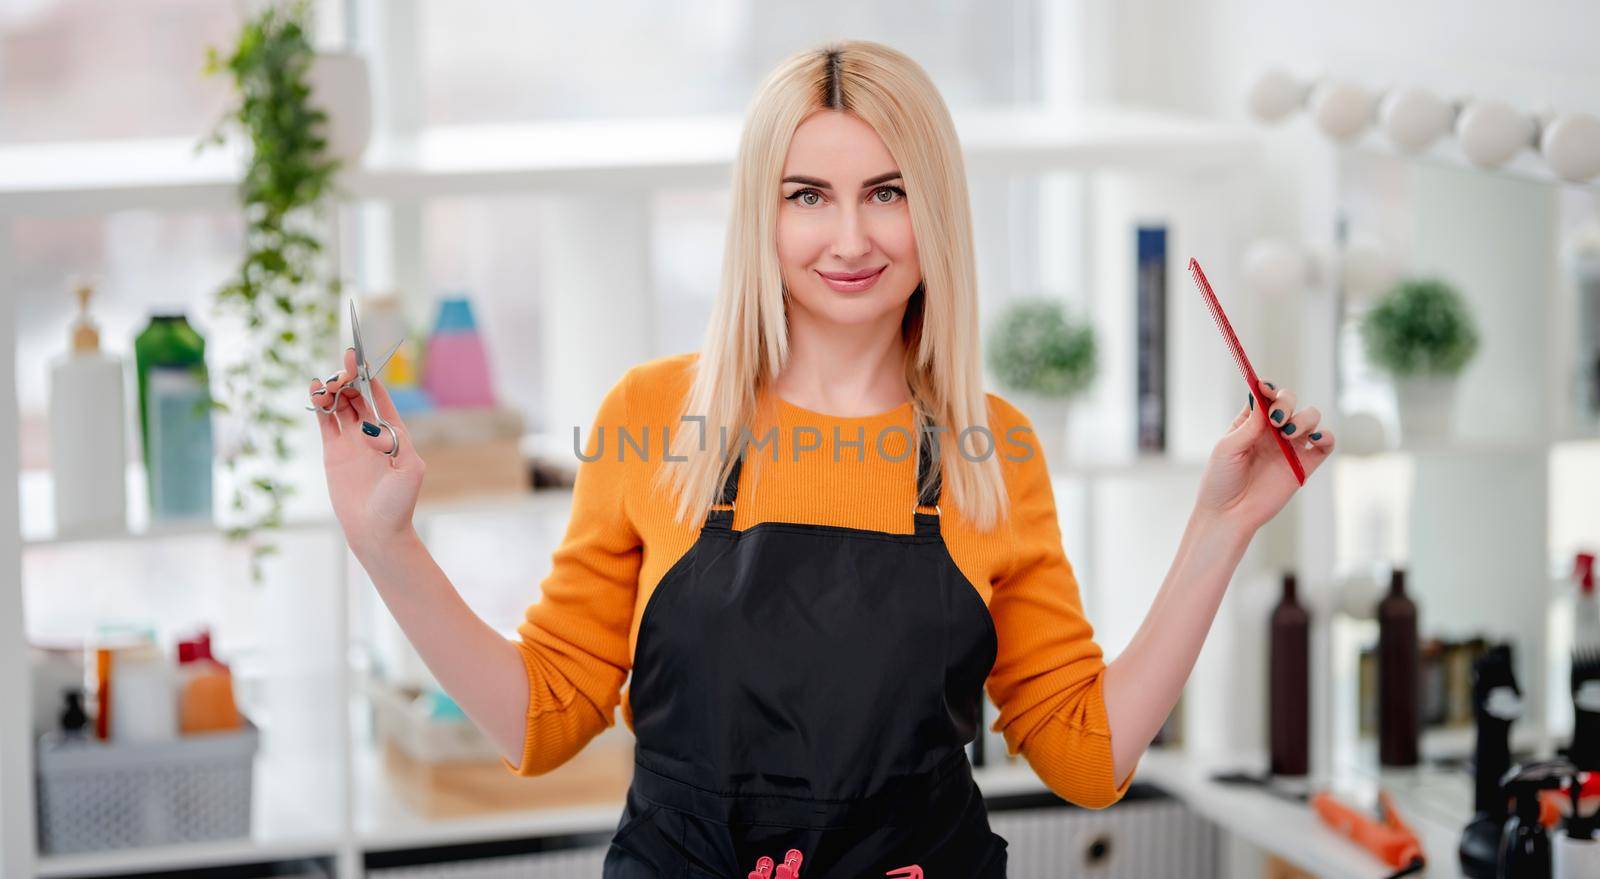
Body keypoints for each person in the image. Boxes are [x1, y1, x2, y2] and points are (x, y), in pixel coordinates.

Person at [309, 39, 1334, 878]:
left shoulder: (990, 447)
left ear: (933, 209)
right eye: (808, 195)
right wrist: (387, 544)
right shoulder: (651, 415)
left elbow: (1087, 758)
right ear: (763, 211)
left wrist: (1217, 530)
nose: (850, 237)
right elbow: (538, 720)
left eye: (886, 192)